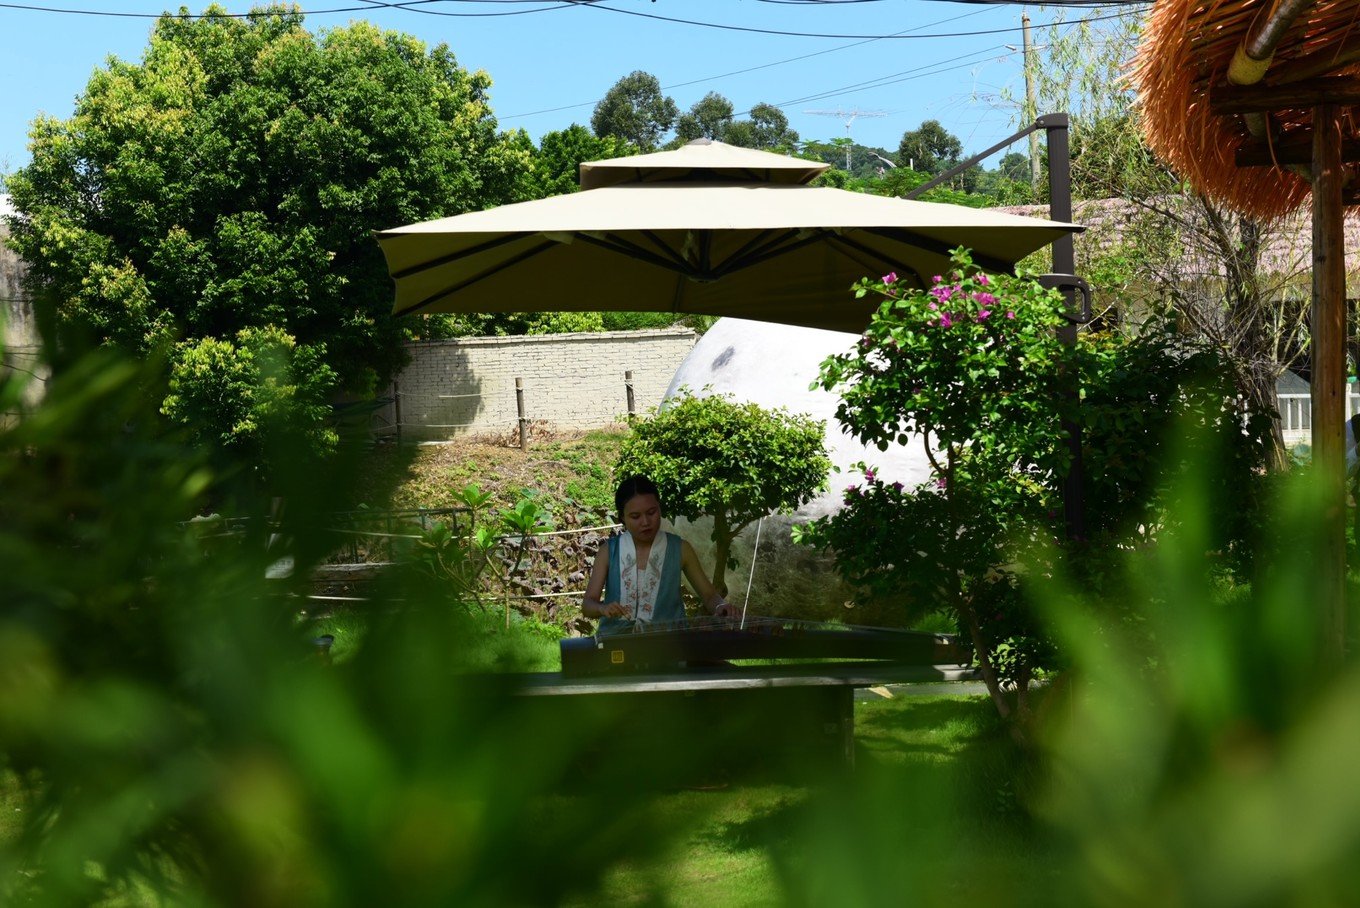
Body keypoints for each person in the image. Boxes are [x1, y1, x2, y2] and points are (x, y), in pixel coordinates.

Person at [583, 475, 736, 634]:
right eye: (635, 516)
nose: (646, 522)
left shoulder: (681, 549)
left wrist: (720, 606)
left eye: (651, 512)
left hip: (669, 647)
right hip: (616, 647)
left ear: (659, 508)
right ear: (622, 517)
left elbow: (710, 596)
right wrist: (602, 608)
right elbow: (588, 604)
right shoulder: (608, 551)